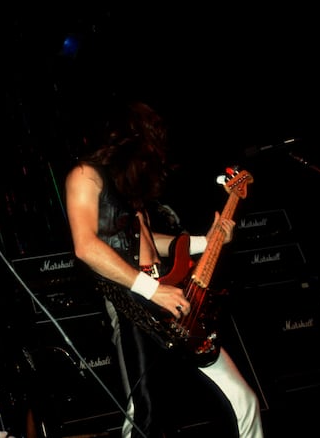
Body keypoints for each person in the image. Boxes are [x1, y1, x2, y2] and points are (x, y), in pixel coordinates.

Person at [63, 100, 263, 438]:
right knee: (147, 417)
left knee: (244, 401)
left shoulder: (127, 190)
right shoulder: (85, 175)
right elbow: (86, 246)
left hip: (173, 301)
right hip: (134, 304)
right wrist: (153, 290)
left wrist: (207, 240)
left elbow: (150, 242)